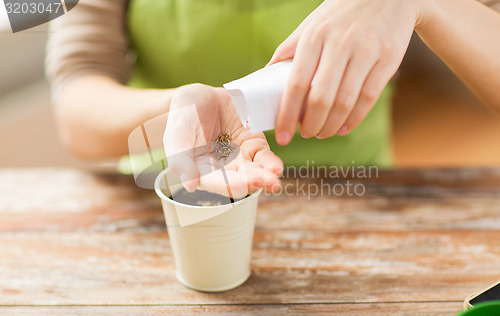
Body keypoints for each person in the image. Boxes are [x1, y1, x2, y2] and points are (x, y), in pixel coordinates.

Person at [46, 0, 500, 196]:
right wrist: (181, 111)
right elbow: (77, 108)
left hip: (352, 193)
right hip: (176, 193)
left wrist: (428, 4)